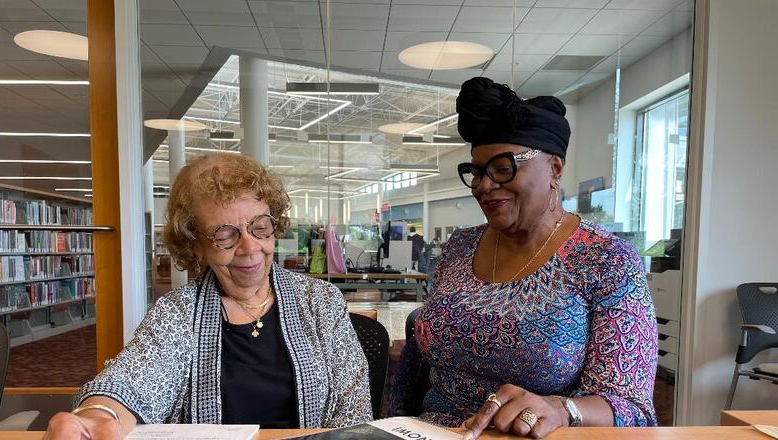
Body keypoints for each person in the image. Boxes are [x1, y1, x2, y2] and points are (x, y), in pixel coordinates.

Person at [388, 77, 657, 439]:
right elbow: (420, 363)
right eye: (477, 172)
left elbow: (632, 408)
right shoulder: (460, 247)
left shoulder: (606, 260)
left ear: (555, 168)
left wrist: (561, 409)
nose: (484, 186)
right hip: (431, 433)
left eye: (503, 169)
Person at [44, 153, 372, 439]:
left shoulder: (320, 301)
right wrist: (99, 416)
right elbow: (131, 381)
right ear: (196, 246)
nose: (250, 247)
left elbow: (354, 411)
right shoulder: (178, 311)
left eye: (260, 227)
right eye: (224, 234)